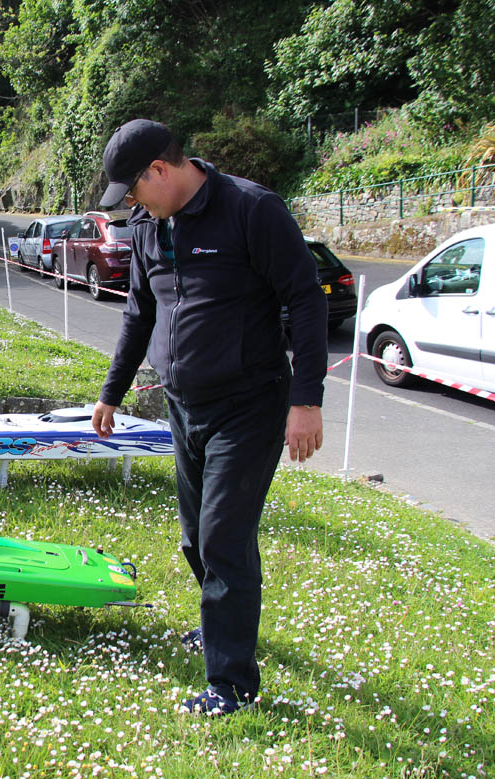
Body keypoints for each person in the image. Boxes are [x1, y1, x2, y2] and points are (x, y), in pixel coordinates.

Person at [90, 119, 328, 715]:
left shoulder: (251, 210)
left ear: (160, 171)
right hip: (183, 405)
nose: (132, 206)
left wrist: (307, 401)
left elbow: (304, 299)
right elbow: (138, 315)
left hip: (249, 404)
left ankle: (231, 686)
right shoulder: (149, 229)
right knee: (196, 538)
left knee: (223, 538)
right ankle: (224, 623)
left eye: (135, 190)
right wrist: (111, 393)